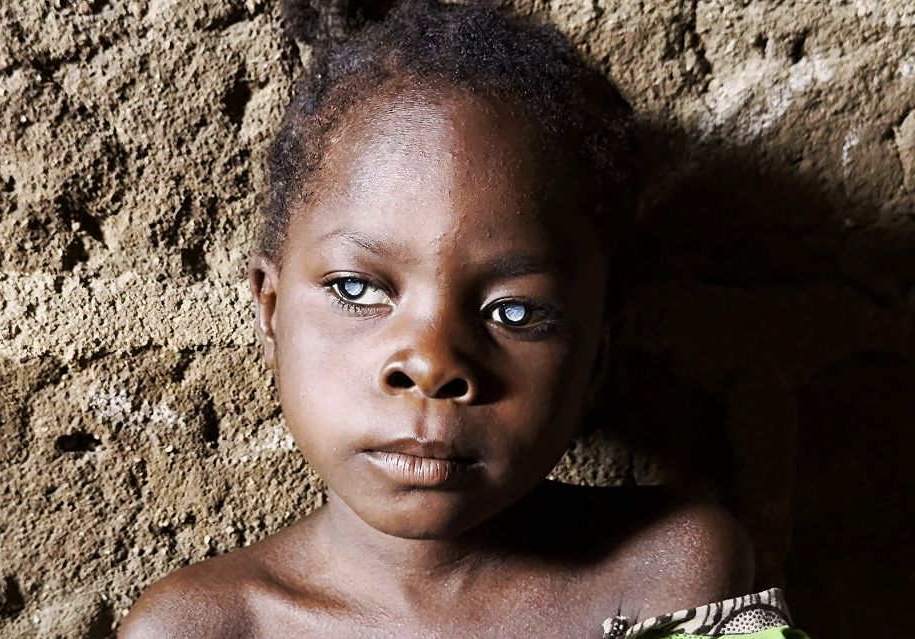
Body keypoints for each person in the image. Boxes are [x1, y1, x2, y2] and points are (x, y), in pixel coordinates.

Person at [121, 2, 808, 637]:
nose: (430, 362)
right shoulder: (198, 628)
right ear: (271, 312)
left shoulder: (667, 571)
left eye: (514, 311)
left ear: (599, 354)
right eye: (358, 289)